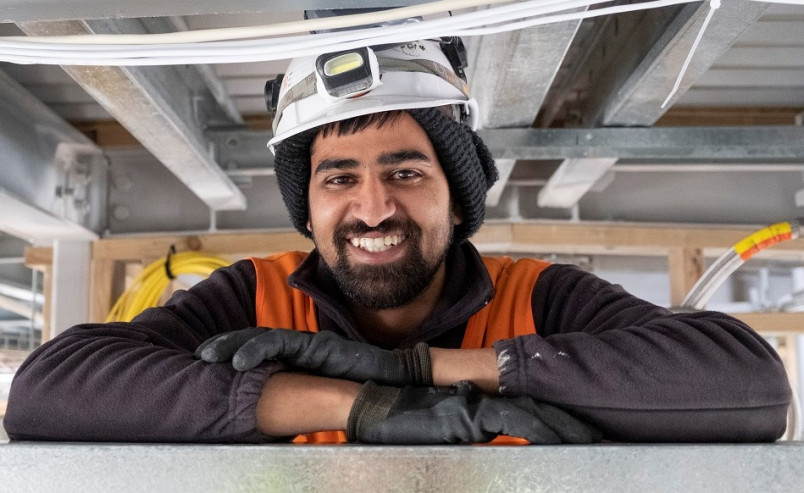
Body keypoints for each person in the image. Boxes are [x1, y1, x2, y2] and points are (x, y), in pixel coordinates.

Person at [4, 39, 791, 445]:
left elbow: (748, 387)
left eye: (407, 171)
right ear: (307, 206)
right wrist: (367, 405)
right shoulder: (254, 295)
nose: (373, 208)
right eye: (338, 177)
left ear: (458, 197)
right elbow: (50, 391)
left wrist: (429, 368)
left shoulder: (536, 298)